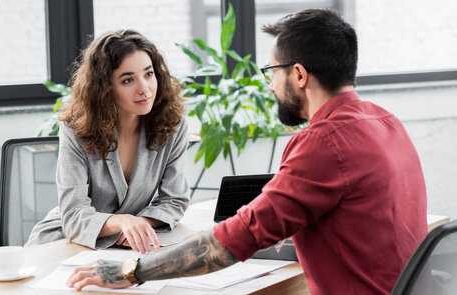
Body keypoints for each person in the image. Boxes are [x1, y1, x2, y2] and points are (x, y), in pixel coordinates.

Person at [66, 9, 428, 294]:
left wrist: (133, 270)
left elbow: (235, 241)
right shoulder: (388, 124)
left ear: (299, 75)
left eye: (272, 71)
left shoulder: (322, 142)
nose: (269, 85)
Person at [26, 30, 190, 254]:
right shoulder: (76, 129)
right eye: (128, 80)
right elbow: (73, 216)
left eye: (148, 74)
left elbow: (174, 201)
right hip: (65, 242)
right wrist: (121, 223)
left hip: (127, 246)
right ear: (104, 88)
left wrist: (136, 226)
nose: (144, 88)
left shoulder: (173, 126)